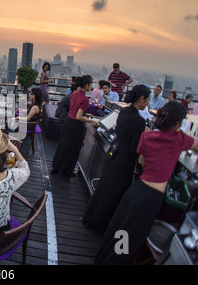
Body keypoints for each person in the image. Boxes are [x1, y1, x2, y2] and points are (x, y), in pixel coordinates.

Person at [94, 101, 198, 264]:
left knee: (120, 230)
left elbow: (142, 161)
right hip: (151, 198)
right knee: (130, 236)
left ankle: (104, 259)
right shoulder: (179, 139)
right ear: (178, 123)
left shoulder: (147, 136)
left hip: (136, 190)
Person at [83, 85, 150, 233]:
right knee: (114, 195)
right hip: (124, 163)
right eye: (147, 99)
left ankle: (90, 218)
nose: (148, 103)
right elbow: (135, 148)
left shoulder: (124, 112)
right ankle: (101, 225)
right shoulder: (139, 121)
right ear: (141, 99)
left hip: (113, 155)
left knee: (103, 190)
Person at [51, 75, 99, 177]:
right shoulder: (85, 99)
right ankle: (67, 171)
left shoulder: (74, 94)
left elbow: (74, 110)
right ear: (86, 85)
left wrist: (86, 114)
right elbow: (78, 116)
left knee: (63, 145)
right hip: (75, 126)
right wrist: (91, 122)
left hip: (68, 122)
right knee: (73, 148)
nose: (91, 86)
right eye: (90, 84)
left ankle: (56, 167)